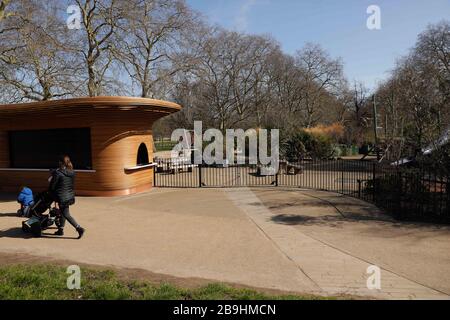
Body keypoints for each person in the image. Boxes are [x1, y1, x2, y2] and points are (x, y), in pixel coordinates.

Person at [49, 155, 85, 239]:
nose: (58, 162)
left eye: (59, 161)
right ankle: (60, 230)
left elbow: (52, 186)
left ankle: (79, 228)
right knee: (63, 213)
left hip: (62, 197)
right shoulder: (72, 172)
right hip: (69, 196)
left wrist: (51, 192)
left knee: (66, 214)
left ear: (61, 162)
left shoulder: (58, 173)